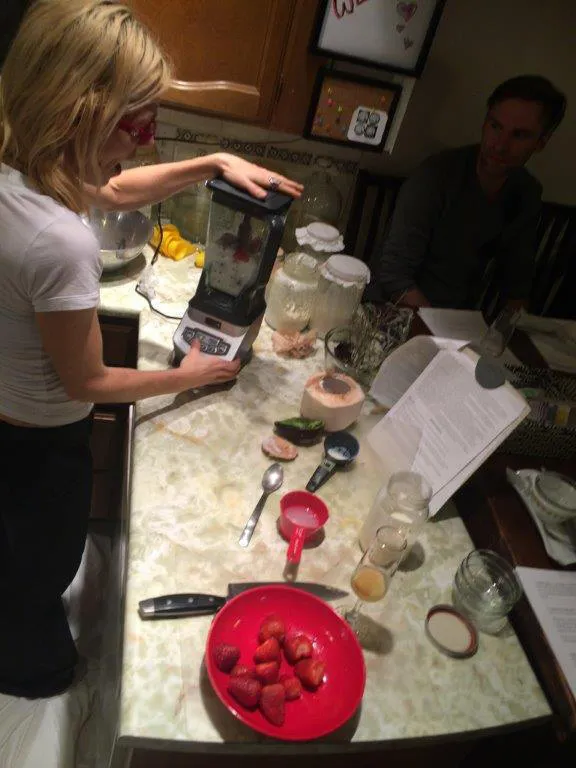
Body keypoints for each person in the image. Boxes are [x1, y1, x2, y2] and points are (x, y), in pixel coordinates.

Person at [0, 0, 302, 699]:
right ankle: (34, 676)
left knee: (16, 568)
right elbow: (87, 382)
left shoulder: (21, 169)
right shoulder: (58, 241)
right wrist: (185, 375)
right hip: (37, 453)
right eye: (133, 121)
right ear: (79, 111)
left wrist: (214, 162)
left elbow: (107, 189)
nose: (144, 141)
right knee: (38, 575)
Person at [373, 75, 566, 310]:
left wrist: (514, 327)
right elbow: (394, 275)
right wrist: (438, 327)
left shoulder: (526, 192)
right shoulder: (437, 175)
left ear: (541, 142)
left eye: (519, 135)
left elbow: (517, 283)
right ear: (485, 122)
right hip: (395, 310)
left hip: (458, 316)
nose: (500, 145)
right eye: (495, 126)